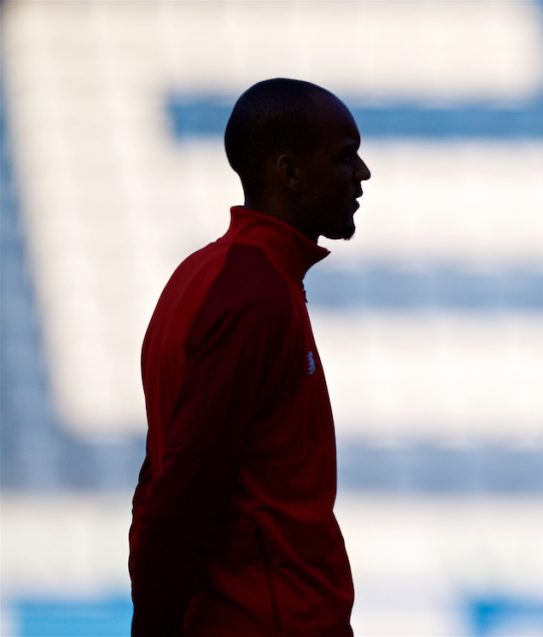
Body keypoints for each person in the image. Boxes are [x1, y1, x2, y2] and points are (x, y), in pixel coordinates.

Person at [129, 78, 371, 637]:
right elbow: (184, 487)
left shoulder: (205, 276)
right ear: (288, 172)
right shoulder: (254, 295)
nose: (362, 175)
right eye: (344, 157)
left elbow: (160, 471)